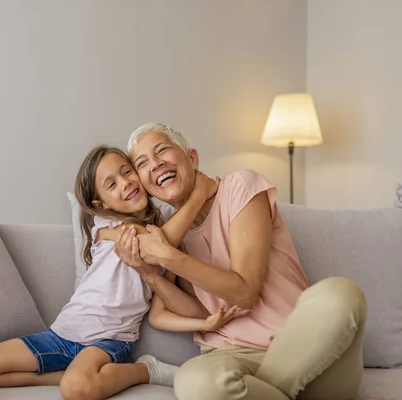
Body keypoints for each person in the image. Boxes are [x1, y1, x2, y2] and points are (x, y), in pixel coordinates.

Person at [0, 145, 248, 400]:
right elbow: (156, 244)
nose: (125, 183)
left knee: (78, 390)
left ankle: (145, 370)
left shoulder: (171, 249)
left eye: (127, 172)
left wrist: (204, 322)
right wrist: (199, 193)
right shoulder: (105, 227)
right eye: (112, 184)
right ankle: (70, 375)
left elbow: (161, 308)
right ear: (102, 205)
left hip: (108, 341)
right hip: (61, 335)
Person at [115, 122, 367, 400]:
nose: (155, 164)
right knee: (194, 381)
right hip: (231, 359)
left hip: (304, 346)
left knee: (341, 294)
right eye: (142, 163)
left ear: (192, 158)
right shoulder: (169, 233)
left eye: (162, 150)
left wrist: (169, 257)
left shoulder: (240, 186)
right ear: (146, 186)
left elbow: (246, 292)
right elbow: (200, 312)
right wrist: (150, 274)